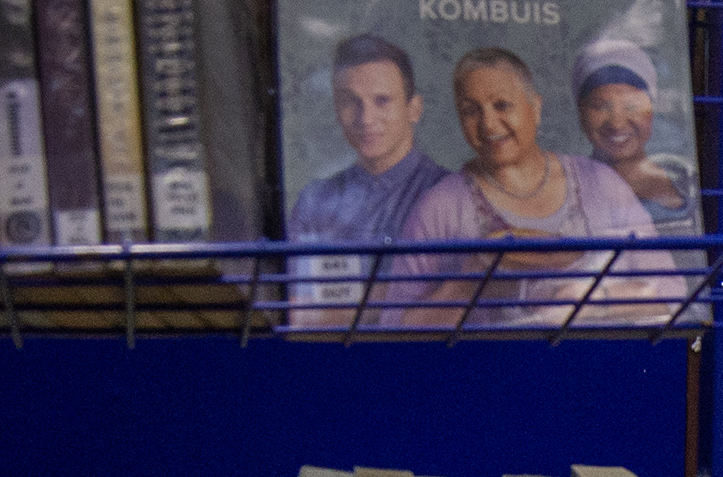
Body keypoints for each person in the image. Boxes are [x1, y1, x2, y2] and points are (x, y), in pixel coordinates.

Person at [391, 47, 690, 328]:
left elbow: (671, 291)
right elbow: (391, 328)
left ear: (535, 107)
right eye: (471, 111)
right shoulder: (440, 207)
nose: (489, 125)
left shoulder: (601, 183)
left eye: (502, 105)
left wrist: (591, 300)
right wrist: (471, 279)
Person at [285, 34, 448, 326]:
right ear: (337, 108)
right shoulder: (314, 202)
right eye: (351, 102)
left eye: (382, 101)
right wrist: (399, 297)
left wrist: (337, 306)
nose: (366, 118)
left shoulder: (449, 195)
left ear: (414, 108)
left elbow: (452, 303)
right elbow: (295, 310)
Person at [572, 38, 696, 235]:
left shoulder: (685, 175)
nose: (617, 123)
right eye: (600, 107)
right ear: (581, 112)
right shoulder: (569, 190)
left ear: (651, 109)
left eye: (631, 106)